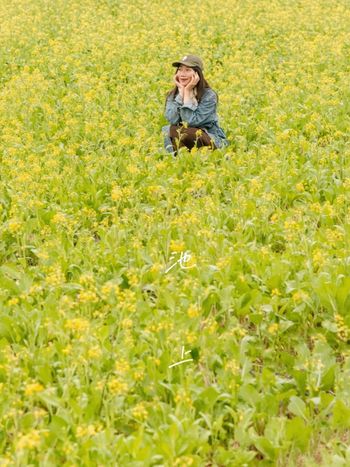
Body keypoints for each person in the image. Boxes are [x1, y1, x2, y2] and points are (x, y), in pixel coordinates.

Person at [162, 54, 229, 156]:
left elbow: (191, 122)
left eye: (188, 70)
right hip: (186, 137)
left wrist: (188, 92)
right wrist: (181, 94)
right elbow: (172, 119)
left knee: (177, 131)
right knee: (168, 130)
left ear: (197, 74)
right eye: (180, 70)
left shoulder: (209, 96)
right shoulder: (173, 94)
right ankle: (177, 159)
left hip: (209, 138)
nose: (182, 74)